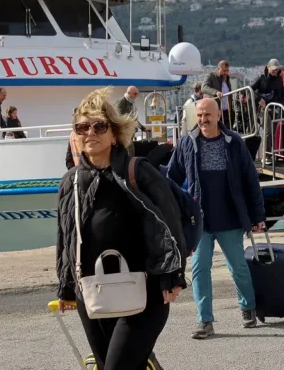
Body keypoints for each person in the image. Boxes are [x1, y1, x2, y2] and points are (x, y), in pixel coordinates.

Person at [56, 87, 187, 370]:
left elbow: (169, 223)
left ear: (114, 133)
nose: (90, 132)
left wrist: (172, 275)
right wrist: (67, 286)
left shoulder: (137, 172)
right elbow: (67, 235)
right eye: (82, 127)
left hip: (146, 291)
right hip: (93, 292)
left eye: (98, 126)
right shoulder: (71, 182)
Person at [165, 98, 266, 340]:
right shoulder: (187, 142)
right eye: (199, 115)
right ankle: (205, 320)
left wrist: (257, 216)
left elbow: (250, 180)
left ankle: (247, 306)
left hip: (230, 218)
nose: (203, 119)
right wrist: (171, 209)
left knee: (238, 267)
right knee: (200, 269)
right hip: (198, 221)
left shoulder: (234, 143)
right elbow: (171, 178)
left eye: (207, 115)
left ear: (218, 115)